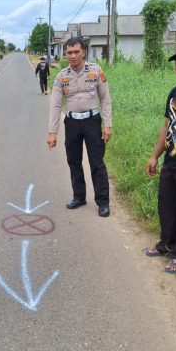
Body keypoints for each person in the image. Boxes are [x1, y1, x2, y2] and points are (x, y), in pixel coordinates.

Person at [47, 36, 112, 217]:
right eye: (69, 52)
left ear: (83, 51)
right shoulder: (61, 77)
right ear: (65, 54)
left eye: (76, 52)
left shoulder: (96, 71)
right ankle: (79, 196)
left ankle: (103, 202)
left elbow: (105, 98)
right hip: (72, 123)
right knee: (73, 161)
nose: (73, 56)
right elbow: (56, 105)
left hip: (92, 121)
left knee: (96, 162)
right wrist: (52, 132)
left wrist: (108, 124)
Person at [144, 44, 176, 274]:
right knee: (167, 205)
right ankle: (167, 244)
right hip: (172, 160)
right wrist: (154, 155)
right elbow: (167, 125)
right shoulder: (175, 93)